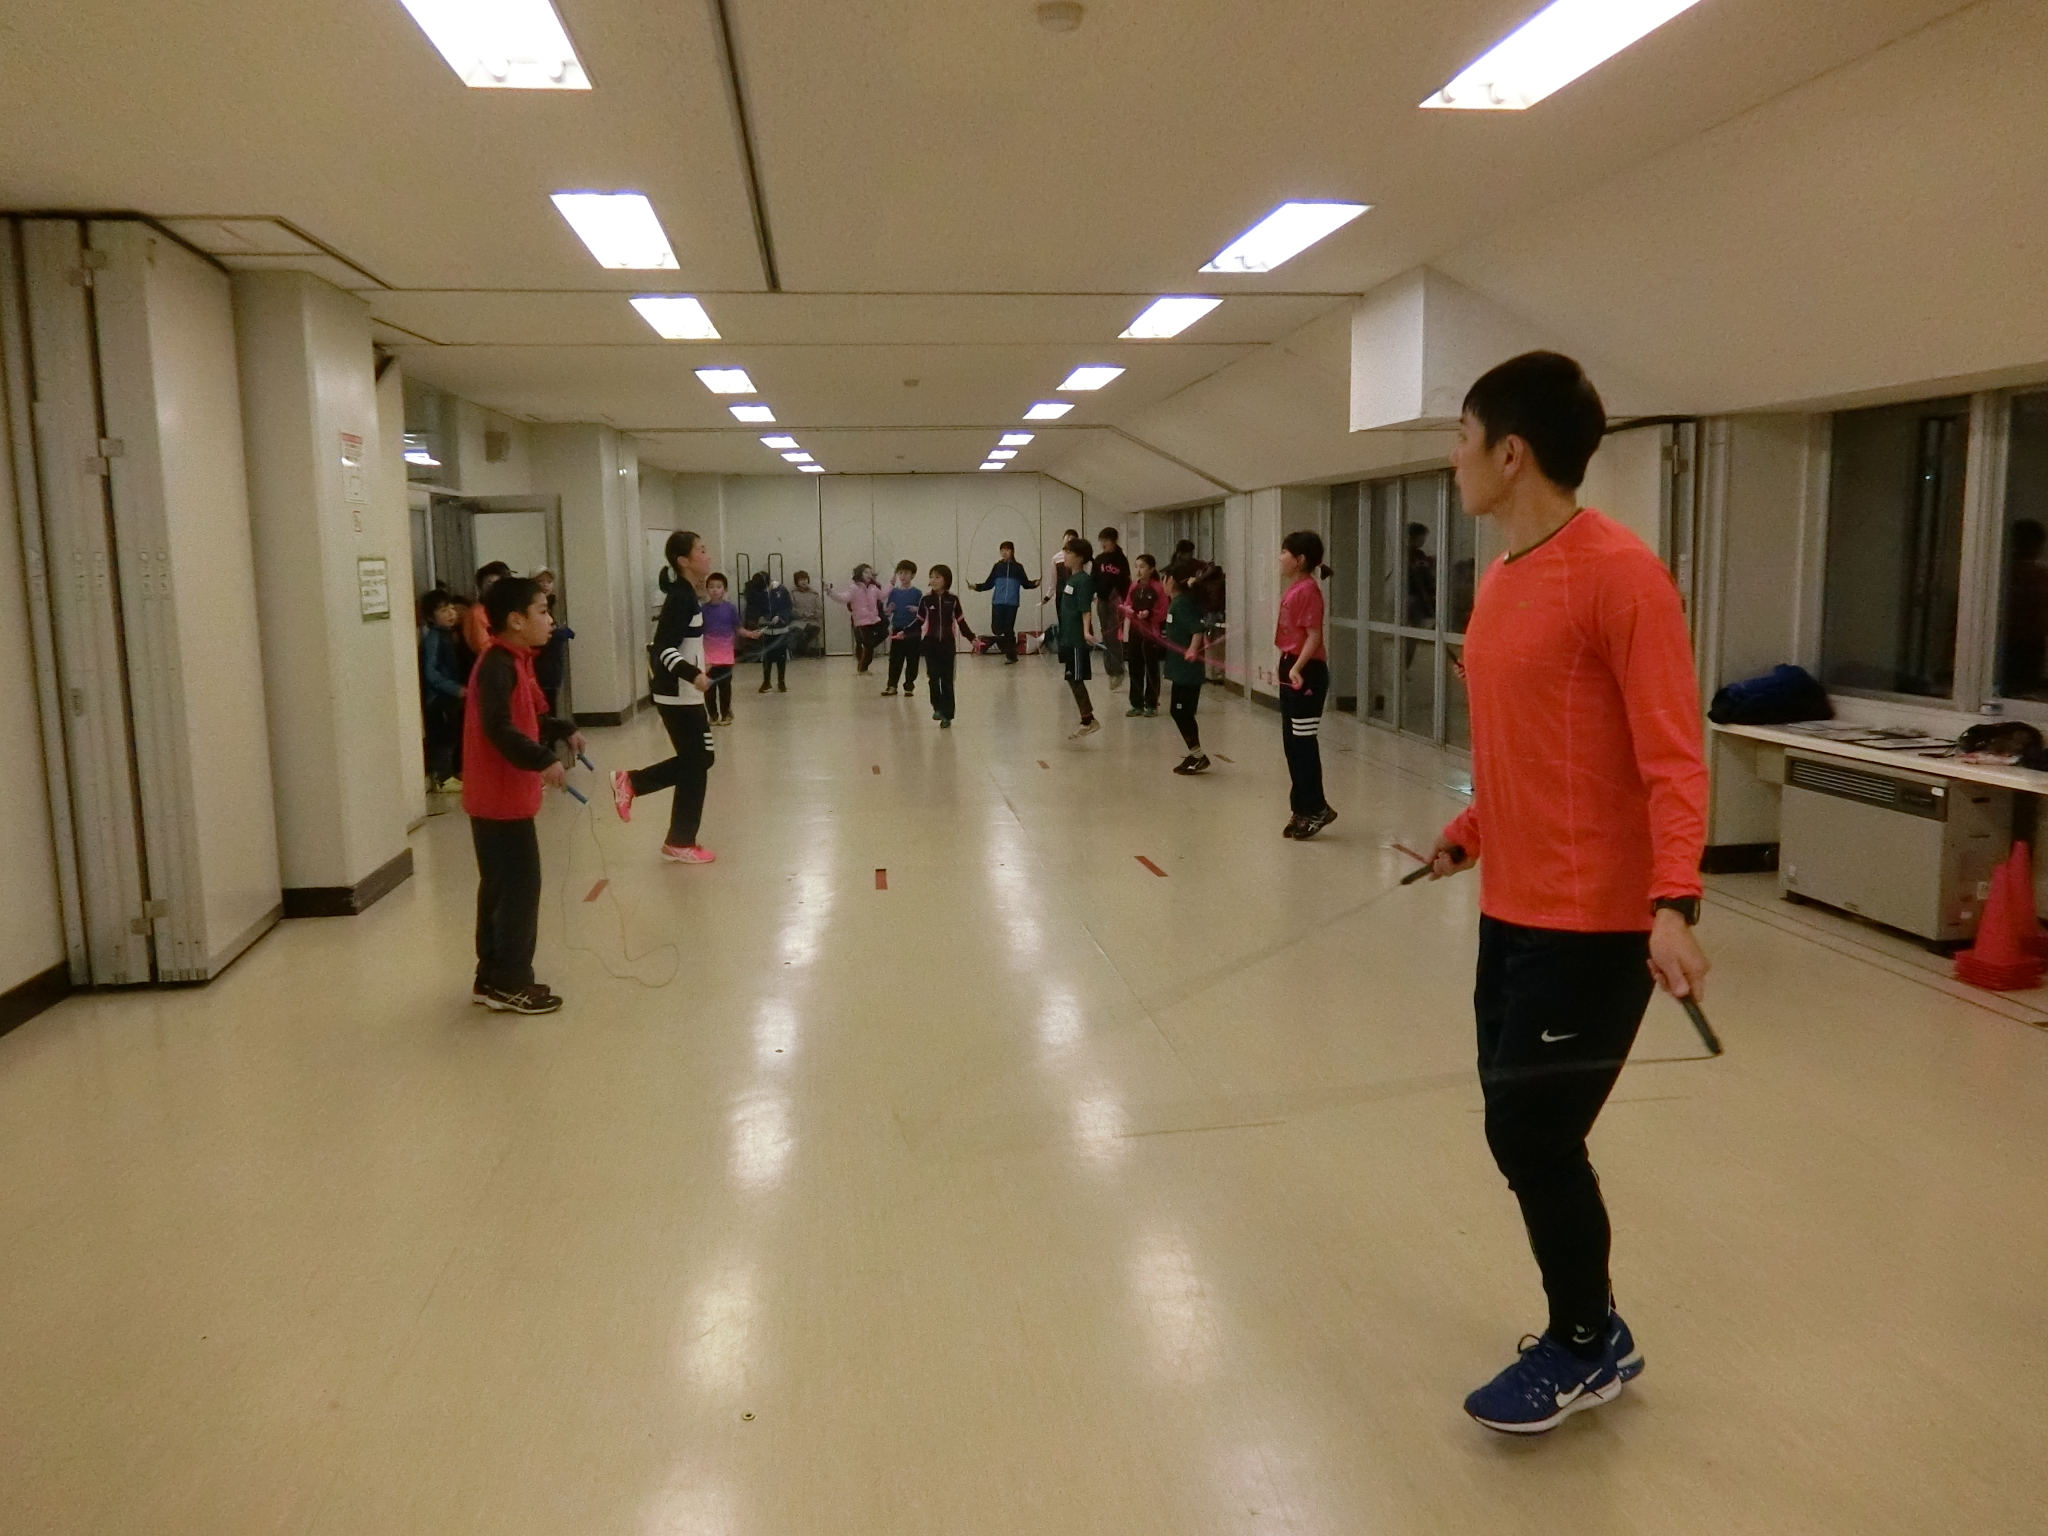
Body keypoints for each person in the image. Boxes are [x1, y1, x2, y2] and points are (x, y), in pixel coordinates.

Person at [1422, 351, 1710, 1435]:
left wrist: (1673, 901)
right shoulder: (1500, 579)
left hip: (1595, 925)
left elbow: (1670, 754)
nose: (1451, 458)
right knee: (1519, 1125)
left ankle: (1584, 1345)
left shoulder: (1620, 575)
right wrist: (1472, 830)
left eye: (1460, 437)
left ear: (1511, 453)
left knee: (1532, 1135)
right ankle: (1596, 1329)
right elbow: (1531, 744)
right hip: (1511, 907)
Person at [462, 575, 582, 1015]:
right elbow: (498, 727)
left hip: (497, 798)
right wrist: (541, 759)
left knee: (500, 887)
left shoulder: (511, 661)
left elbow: (524, 719)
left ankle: (491, 976)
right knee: (519, 889)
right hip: (500, 800)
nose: (550, 621)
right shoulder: (498, 665)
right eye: (542, 612)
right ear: (516, 620)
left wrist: (562, 729)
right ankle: (511, 982)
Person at [612, 531, 718, 865]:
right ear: (683, 560)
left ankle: (678, 838)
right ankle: (634, 784)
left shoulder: (687, 594)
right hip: (677, 695)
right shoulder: (680, 597)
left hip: (685, 694)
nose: (708, 556)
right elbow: (663, 648)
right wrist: (693, 673)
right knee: (698, 761)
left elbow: (683, 644)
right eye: (701, 550)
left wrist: (700, 663)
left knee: (699, 760)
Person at [1277, 532, 1337, 841]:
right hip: (1291, 665)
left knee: (1303, 744)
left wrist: (1297, 668)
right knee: (1291, 743)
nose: (1280, 558)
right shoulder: (1294, 588)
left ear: (1300, 559)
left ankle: (1317, 808)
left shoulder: (1309, 591)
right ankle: (1301, 807)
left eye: (1284, 552)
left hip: (1307, 671)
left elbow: (1314, 636)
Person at [1161, 559, 1210, 774]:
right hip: (1179, 669)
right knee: (1179, 711)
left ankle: (1198, 756)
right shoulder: (1176, 603)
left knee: (1182, 712)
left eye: (1164, 578)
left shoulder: (1182, 604)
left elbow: (1197, 630)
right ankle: (1196, 754)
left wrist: (1192, 648)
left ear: (1171, 581)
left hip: (1187, 671)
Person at [418, 589, 467, 792]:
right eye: (443, 610)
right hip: (439, 699)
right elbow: (430, 672)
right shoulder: (434, 638)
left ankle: (448, 774)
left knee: (452, 735)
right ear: (431, 617)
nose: (451, 613)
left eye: (451, 608)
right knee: (443, 738)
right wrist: (455, 689)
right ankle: (442, 778)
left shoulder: (449, 636)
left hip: (448, 697)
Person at [917, 564, 976, 727]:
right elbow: (918, 621)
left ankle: (947, 715)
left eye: (937, 577)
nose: (933, 580)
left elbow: (961, 622)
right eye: (931, 576)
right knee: (933, 678)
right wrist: (905, 632)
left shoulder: (953, 600)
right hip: (930, 644)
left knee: (947, 680)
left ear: (946, 580)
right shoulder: (926, 600)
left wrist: (972, 638)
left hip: (948, 645)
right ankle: (937, 707)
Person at [1054, 537, 1100, 738]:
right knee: (1071, 678)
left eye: (1069, 552)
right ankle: (1087, 719)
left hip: (1076, 640)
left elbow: (1085, 609)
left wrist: (1086, 632)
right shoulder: (1070, 580)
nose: (1064, 556)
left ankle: (1088, 720)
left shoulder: (1084, 581)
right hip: (1067, 637)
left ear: (1080, 557)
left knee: (1075, 678)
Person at [698, 573, 753, 725]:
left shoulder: (730, 608)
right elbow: (698, 632)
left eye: (719, 587)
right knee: (709, 688)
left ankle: (726, 713)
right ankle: (713, 715)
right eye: (711, 587)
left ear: (725, 590)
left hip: (726, 656)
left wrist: (750, 634)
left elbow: (737, 628)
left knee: (725, 687)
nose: (715, 590)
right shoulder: (703, 610)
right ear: (707, 589)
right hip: (708, 657)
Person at [970, 541, 1037, 663]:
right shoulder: (997, 567)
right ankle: (1003, 644)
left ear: (1012, 551)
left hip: (1012, 603)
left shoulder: (1018, 568)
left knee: (1008, 629)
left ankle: (1011, 656)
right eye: (1002, 550)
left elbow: (1025, 583)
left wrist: (1035, 584)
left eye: (1007, 550)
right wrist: (976, 587)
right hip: (998, 602)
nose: (1004, 553)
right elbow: (989, 583)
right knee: (996, 628)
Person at [1121, 552, 1166, 718]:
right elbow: (1127, 604)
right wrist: (1128, 610)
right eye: (1136, 567)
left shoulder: (1158, 588)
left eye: (1142, 567)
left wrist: (1150, 614)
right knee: (1135, 667)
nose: (1138, 570)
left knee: (1151, 669)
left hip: (1151, 633)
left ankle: (1152, 704)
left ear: (1151, 569)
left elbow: (1163, 610)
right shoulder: (1134, 587)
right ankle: (1136, 704)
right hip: (1135, 632)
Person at [1092, 527, 1132, 690]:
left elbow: (1126, 582)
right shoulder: (1099, 559)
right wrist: (1094, 595)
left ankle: (1118, 670)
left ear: (1114, 541)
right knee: (1105, 635)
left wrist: (1124, 600)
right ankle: (1110, 671)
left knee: (1114, 635)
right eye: (1101, 540)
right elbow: (1094, 578)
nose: (1103, 544)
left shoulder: (1121, 559)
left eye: (1106, 540)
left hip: (1116, 601)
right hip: (1101, 600)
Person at [532, 569, 574, 718]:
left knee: (550, 703)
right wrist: (556, 634)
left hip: (552, 666)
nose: (545, 585)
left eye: (549, 582)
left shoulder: (553, 604)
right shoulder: (531, 607)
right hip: (539, 665)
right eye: (540, 581)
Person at [829, 564, 888, 672]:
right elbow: (842, 598)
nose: (869, 575)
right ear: (859, 574)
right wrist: (830, 592)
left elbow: (882, 594)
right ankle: (862, 668)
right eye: (866, 572)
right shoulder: (854, 588)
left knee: (884, 633)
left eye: (870, 573)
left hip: (874, 619)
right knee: (867, 645)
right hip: (861, 621)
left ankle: (865, 656)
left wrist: (892, 584)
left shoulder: (873, 588)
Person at [746, 571, 794, 693]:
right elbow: (756, 608)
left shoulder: (781, 590)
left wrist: (780, 616)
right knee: (767, 657)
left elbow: (787, 606)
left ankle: (781, 681)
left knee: (781, 657)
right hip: (767, 631)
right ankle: (766, 681)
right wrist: (760, 618)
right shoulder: (758, 592)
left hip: (781, 630)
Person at [881, 560, 924, 697]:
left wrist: (916, 609)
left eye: (906, 573)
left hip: (913, 631)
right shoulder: (893, 592)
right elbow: (888, 612)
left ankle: (909, 686)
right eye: (900, 573)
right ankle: (892, 685)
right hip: (897, 628)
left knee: (912, 659)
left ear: (913, 575)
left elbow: (923, 613)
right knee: (895, 659)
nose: (903, 576)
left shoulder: (917, 593)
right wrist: (888, 610)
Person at [1041, 529, 1080, 662]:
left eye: (1072, 538)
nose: (1069, 540)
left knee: (1074, 624)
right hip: (1061, 594)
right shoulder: (1056, 558)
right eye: (1067, 538)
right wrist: (1048, 596)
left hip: (1075, 595)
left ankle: (1075, 653)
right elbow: (1053, 580)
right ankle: (1064, 654)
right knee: (1063, 624)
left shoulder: (1079, 558)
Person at [463, 561, 512, 659]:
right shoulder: (477, 612)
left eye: (499, 584)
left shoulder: (509, 609)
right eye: (489, 584)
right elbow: (483, 648)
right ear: (481, 587)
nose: (494, 588)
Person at [789, 571, 824, 659]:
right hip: (798, 621)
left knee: (814, 629)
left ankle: (805, 650)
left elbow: (820, 609)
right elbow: (790, 609)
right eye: (801, 580)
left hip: (812, 620)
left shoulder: (814, 594)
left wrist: (813, 614)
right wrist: (803, 614)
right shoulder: (793, 594)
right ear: (796, 581)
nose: (803, 582)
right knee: (797, 630)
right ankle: (802, 650)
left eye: (805, 579)